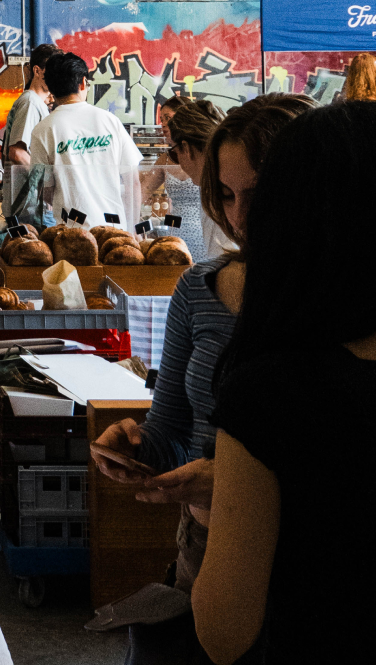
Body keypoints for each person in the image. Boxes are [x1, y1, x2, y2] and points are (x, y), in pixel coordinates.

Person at [90, 95, 313, 660]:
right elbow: (170, 431)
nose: (238, 217)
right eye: (226, 196)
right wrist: (137, 446)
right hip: (204, 545)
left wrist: (236, 482)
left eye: (258, 195)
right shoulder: (199, 289)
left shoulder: (342, 309)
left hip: (315, 556)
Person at [194, 101, 376, 664]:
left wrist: (229, 502)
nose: (240, 216)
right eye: (226, 196)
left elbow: (224, 632)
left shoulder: (274, 393)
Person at [28, 51, 143, 228]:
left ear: (50, 87)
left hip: (71, 234)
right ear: (83, 82)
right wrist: (133, 228)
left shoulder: (43, 130)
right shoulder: (109, 121)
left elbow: (46, 192)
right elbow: (132, 182)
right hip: (115, 231)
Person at [164, 98, 231, 260]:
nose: (177, 160)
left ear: (186, 148)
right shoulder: (218, 185)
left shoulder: (224, 195)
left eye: (175, 152)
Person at [0, 44, 58, 222]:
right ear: (37, 71)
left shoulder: (36, 103)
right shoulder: (31, 102)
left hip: (31, 206)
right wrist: (47, 185)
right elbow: (17, 153)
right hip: (30, 208)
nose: (58, 75)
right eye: (53, 70)